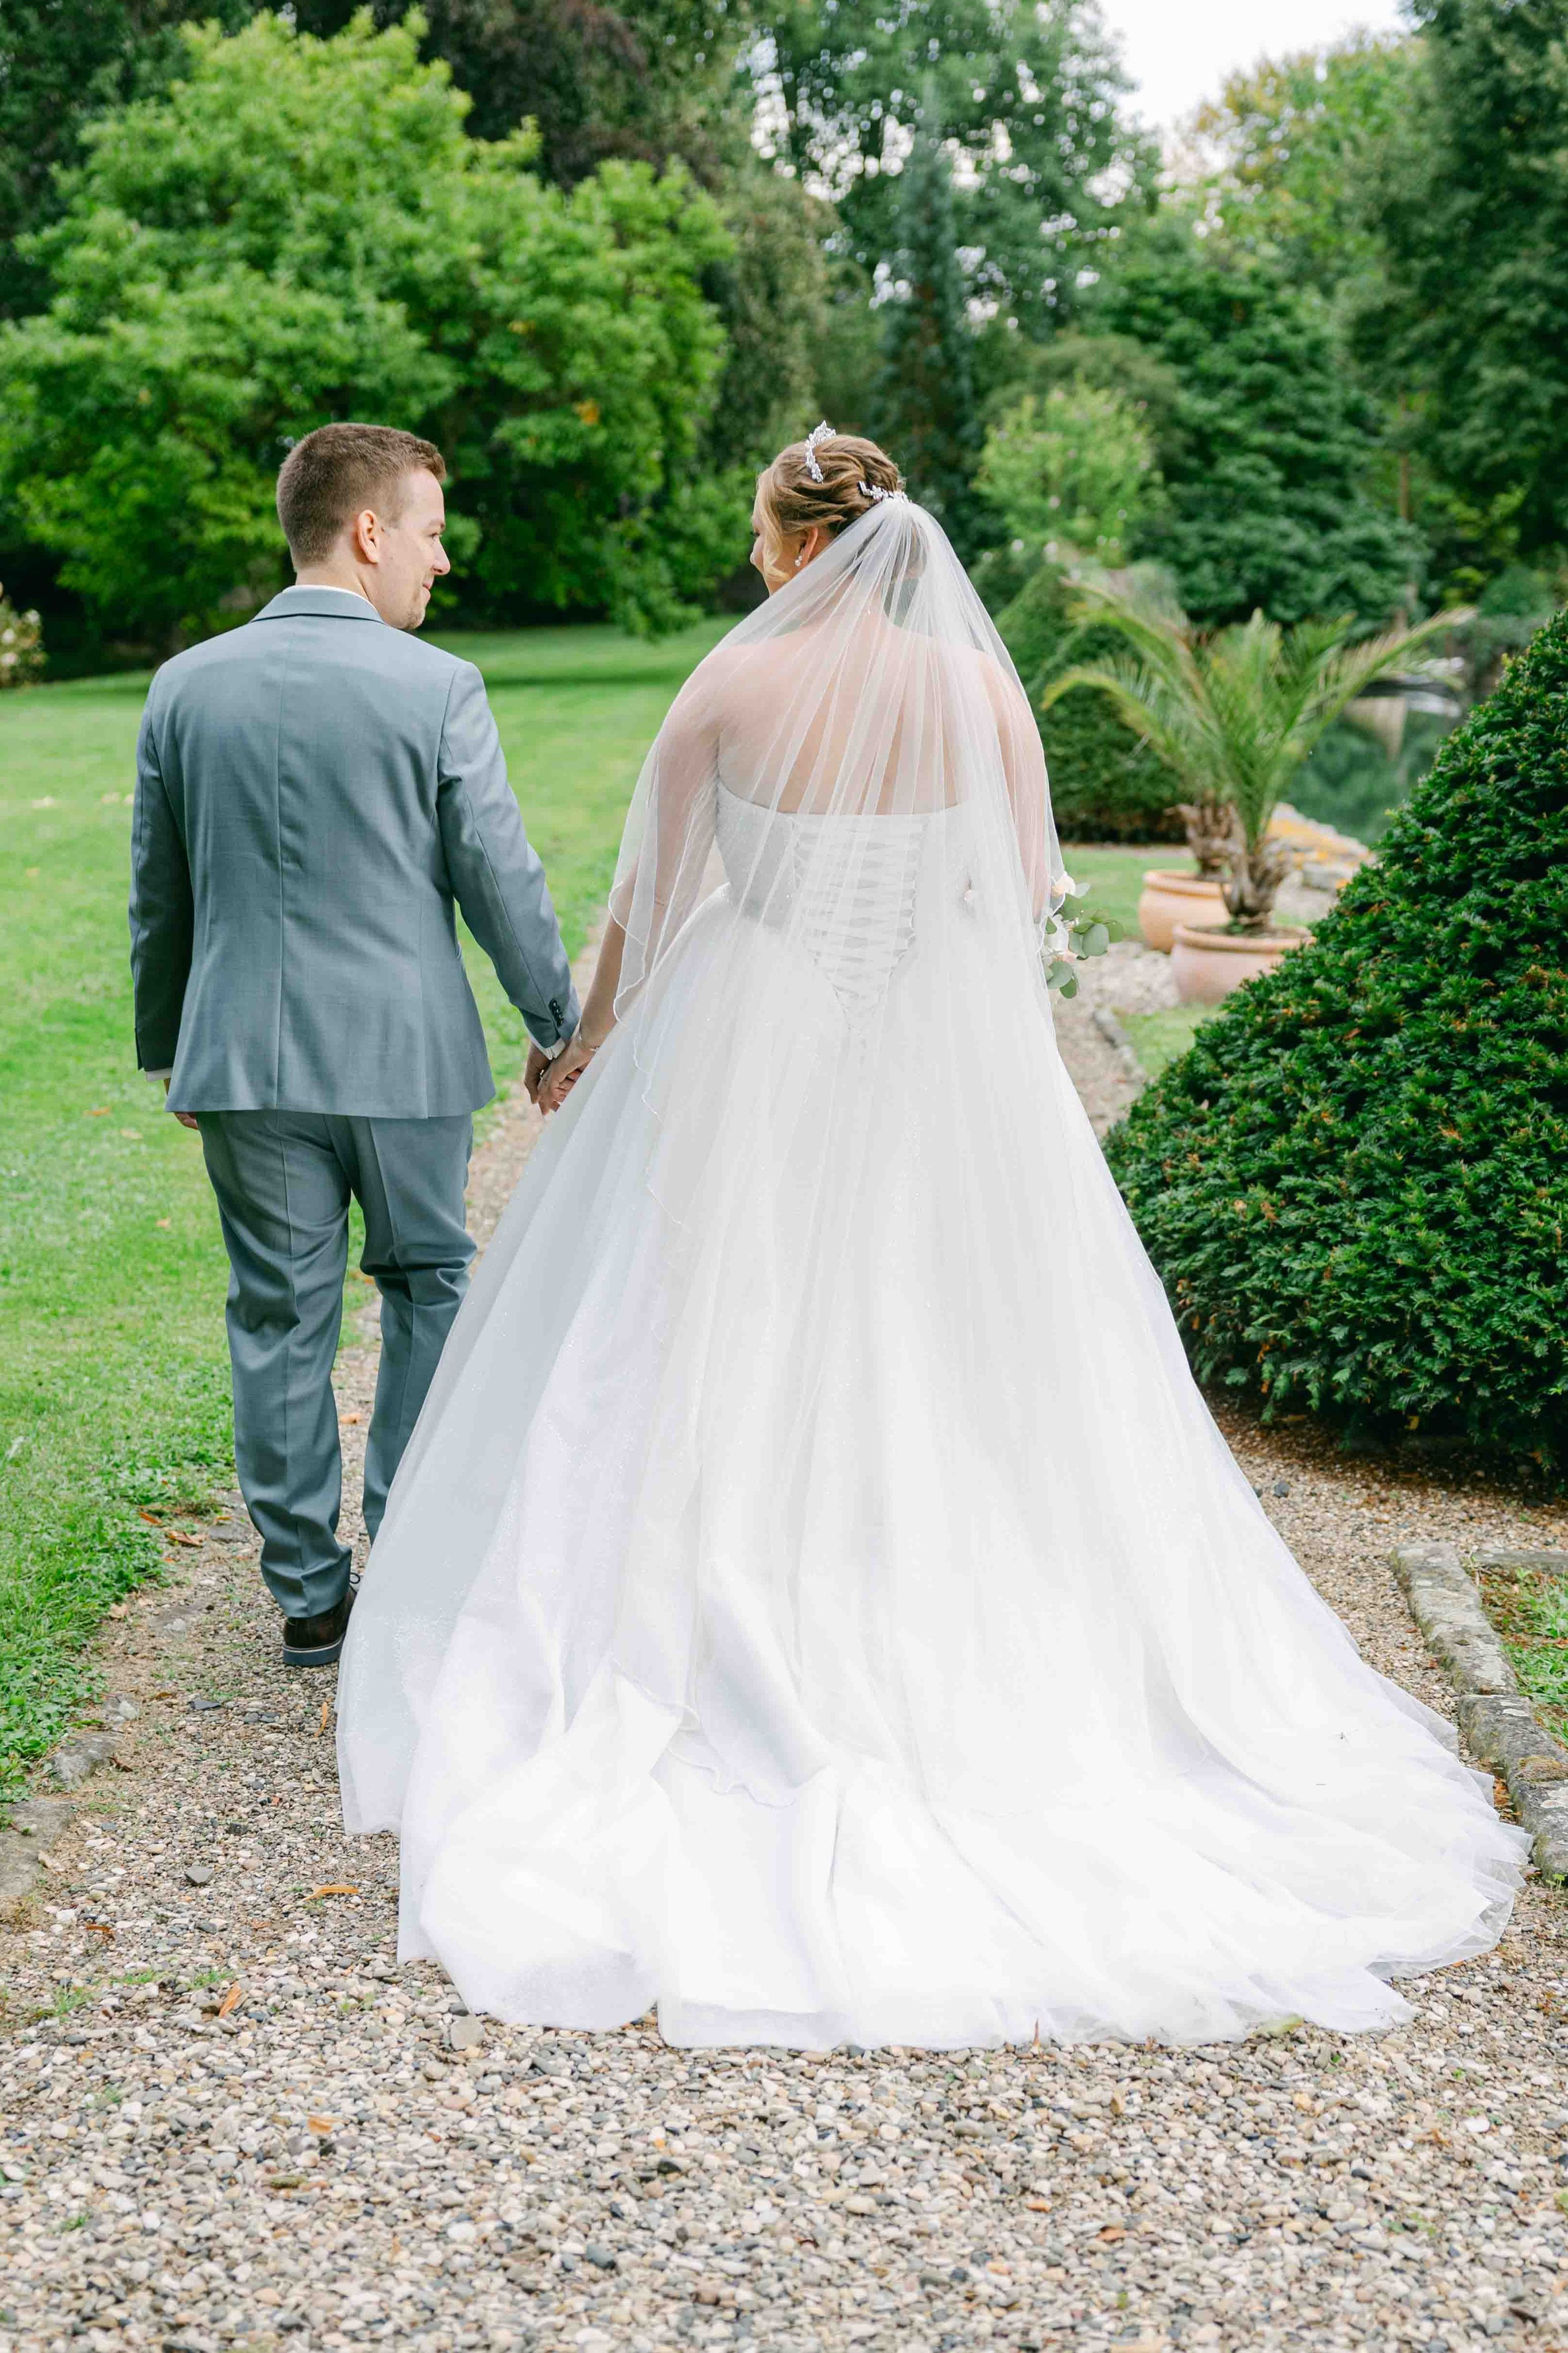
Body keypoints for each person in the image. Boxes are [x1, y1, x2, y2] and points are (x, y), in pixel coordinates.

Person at [337, 427, 1522, 2049]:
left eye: (761, 530)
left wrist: (584, 1045)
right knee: (945, 1329)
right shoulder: (976, 692)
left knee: (725, 1326)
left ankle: (718, 1601)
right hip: (930, 1048)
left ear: (795, 538)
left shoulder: (732, 693)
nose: (755, 557)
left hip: (758, 1041)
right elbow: (1025, 891)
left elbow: (648, 900)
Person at [129, 422, 578, 1669]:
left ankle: (311, 1598)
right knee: (430, 1282)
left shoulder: (184, 686)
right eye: (430, 535)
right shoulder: (436, 689)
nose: (440, 564)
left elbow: (159, 895)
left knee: (278, 1315)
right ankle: (415, 1552)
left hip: (245, 1061)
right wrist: (556, 1019)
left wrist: (173, 1047)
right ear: (369, 531)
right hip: (406, 1056)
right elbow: (497, 870)